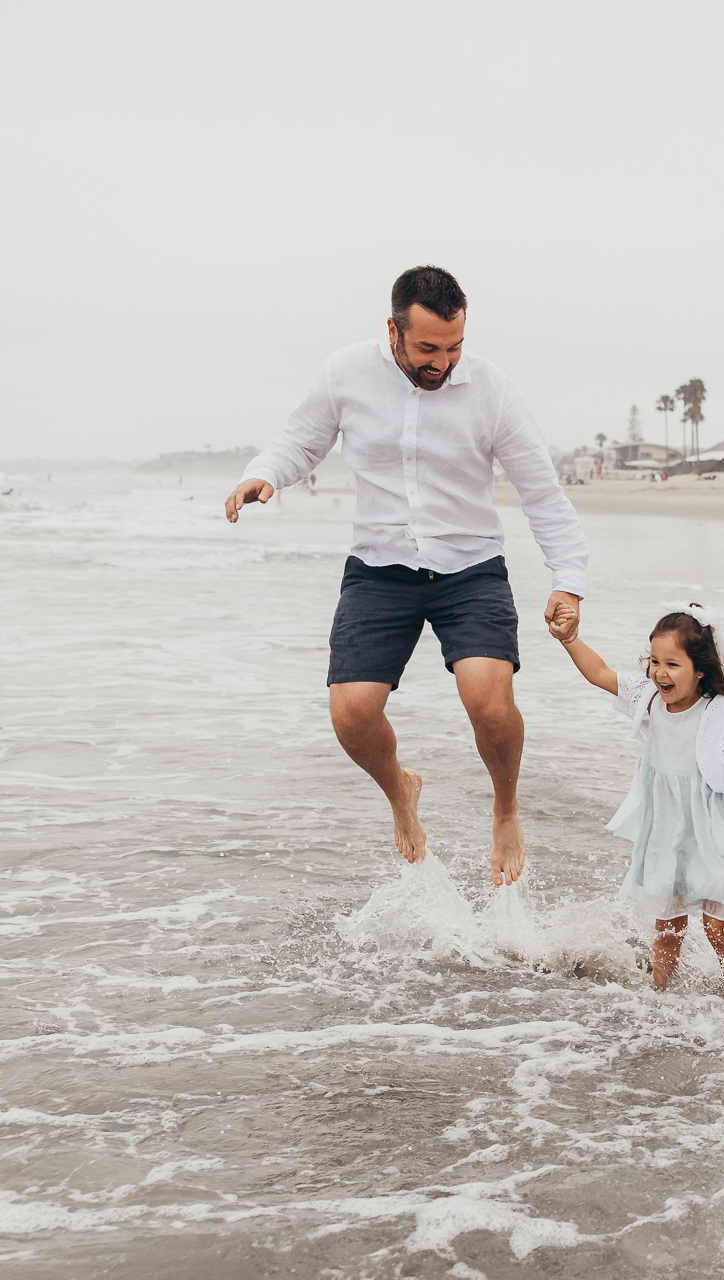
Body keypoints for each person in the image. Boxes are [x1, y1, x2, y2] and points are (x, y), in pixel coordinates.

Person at [225, 265, 587, 887]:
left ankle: (506, 809)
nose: (441, 362)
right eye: (426, 349)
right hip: (379, 566)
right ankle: (401, 792)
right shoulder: (346, 373)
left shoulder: (492, 390)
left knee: (488, 703)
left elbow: (541, 491)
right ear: (392, 331)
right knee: (351, 714)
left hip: (470, 566)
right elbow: (301, 441)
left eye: (453, 348)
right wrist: (266, 475)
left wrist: (568, 577)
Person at [547, 602, 724, 990]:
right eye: (654, 661)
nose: (660, 672)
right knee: (668, 930)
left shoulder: (718, 712)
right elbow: (599, 674)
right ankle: (661, 997)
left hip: (710, 835)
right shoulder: (648, 697)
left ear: (700, 670)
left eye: (672, 664)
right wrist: (571, 640)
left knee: (717, 929)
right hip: (666, 832)